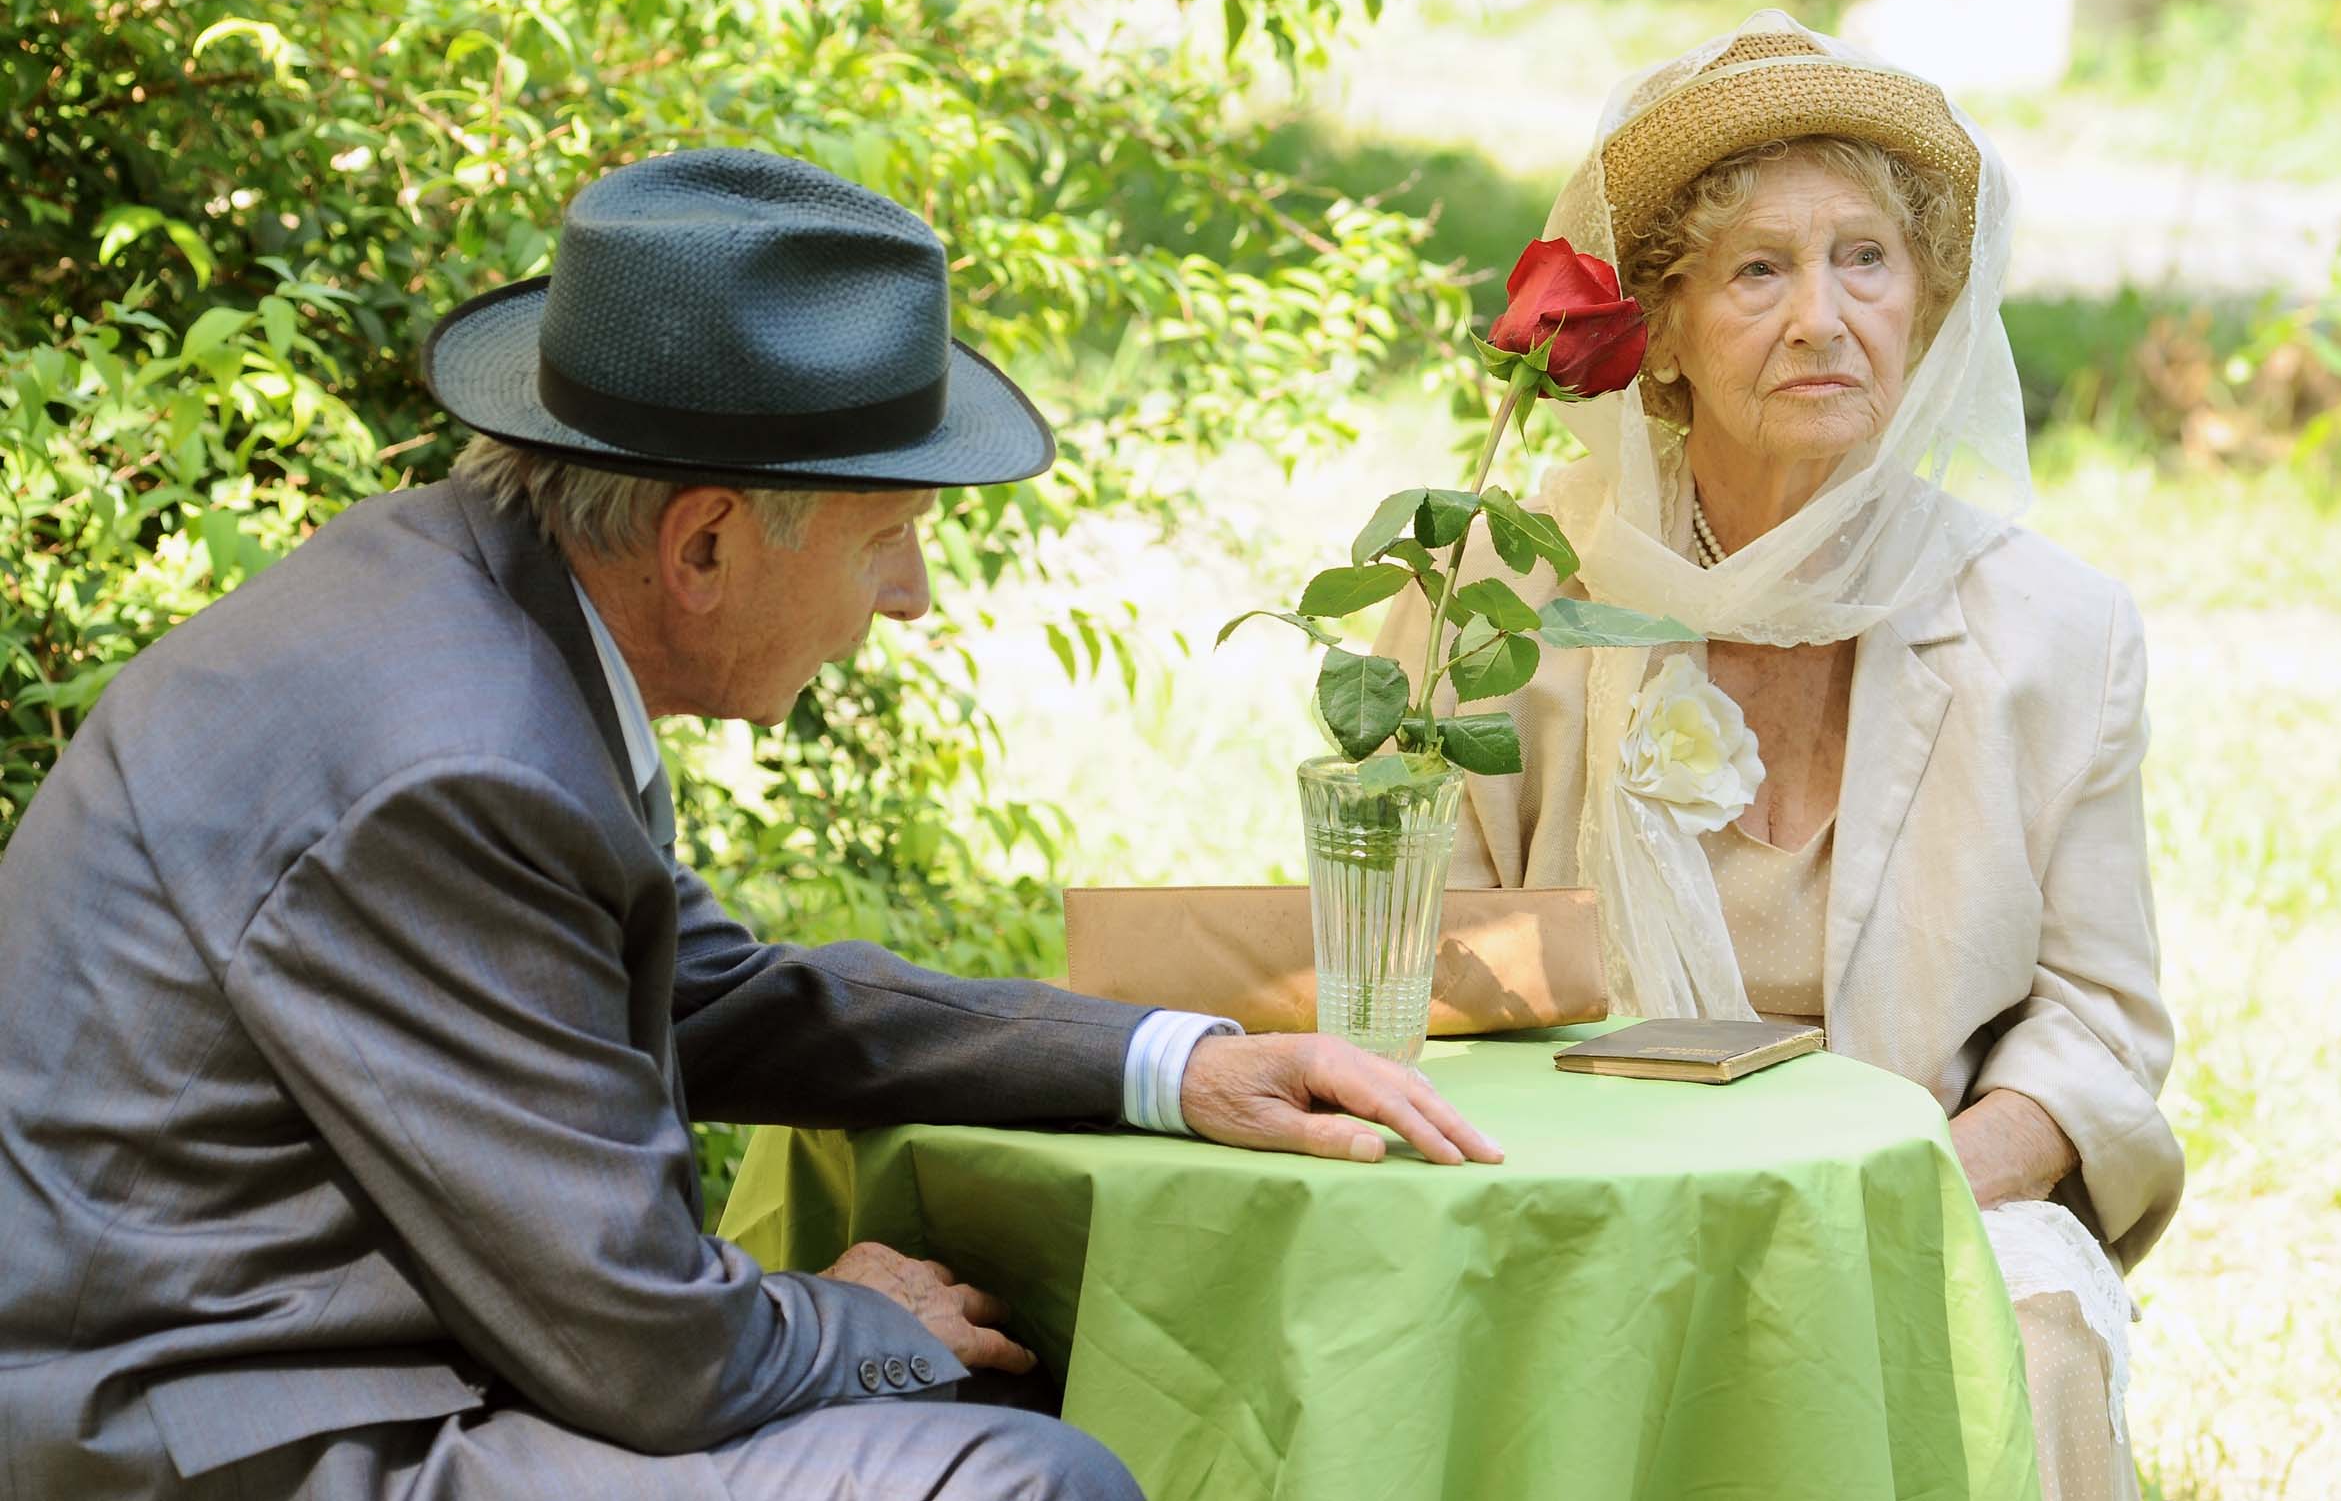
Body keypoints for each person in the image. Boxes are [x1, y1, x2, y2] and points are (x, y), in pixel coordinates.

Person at [0, 149, 1501, 1501]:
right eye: (890, 539)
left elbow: (707, 990)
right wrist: (862, 1320)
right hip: (214, 1437)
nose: (910, 597)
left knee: (992, 1366)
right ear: (705, 539)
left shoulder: (460, 595)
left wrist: (1177, 1064)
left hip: (293, 1361)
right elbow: (646, 1351)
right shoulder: (453, 758)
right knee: (1015, 1477)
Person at [1379, 12, 2178, 1501]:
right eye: (1757, 270)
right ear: (1661, 333)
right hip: (1570, 1188)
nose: (1823, 317)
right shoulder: (1500, 598)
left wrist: (1904, 1186)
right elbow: (1412, 975)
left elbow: (2095, 1024)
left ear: (1928, 302)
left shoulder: (2053, 628)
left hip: (1919, 1190)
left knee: (2028, 1328)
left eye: (1864, 259)